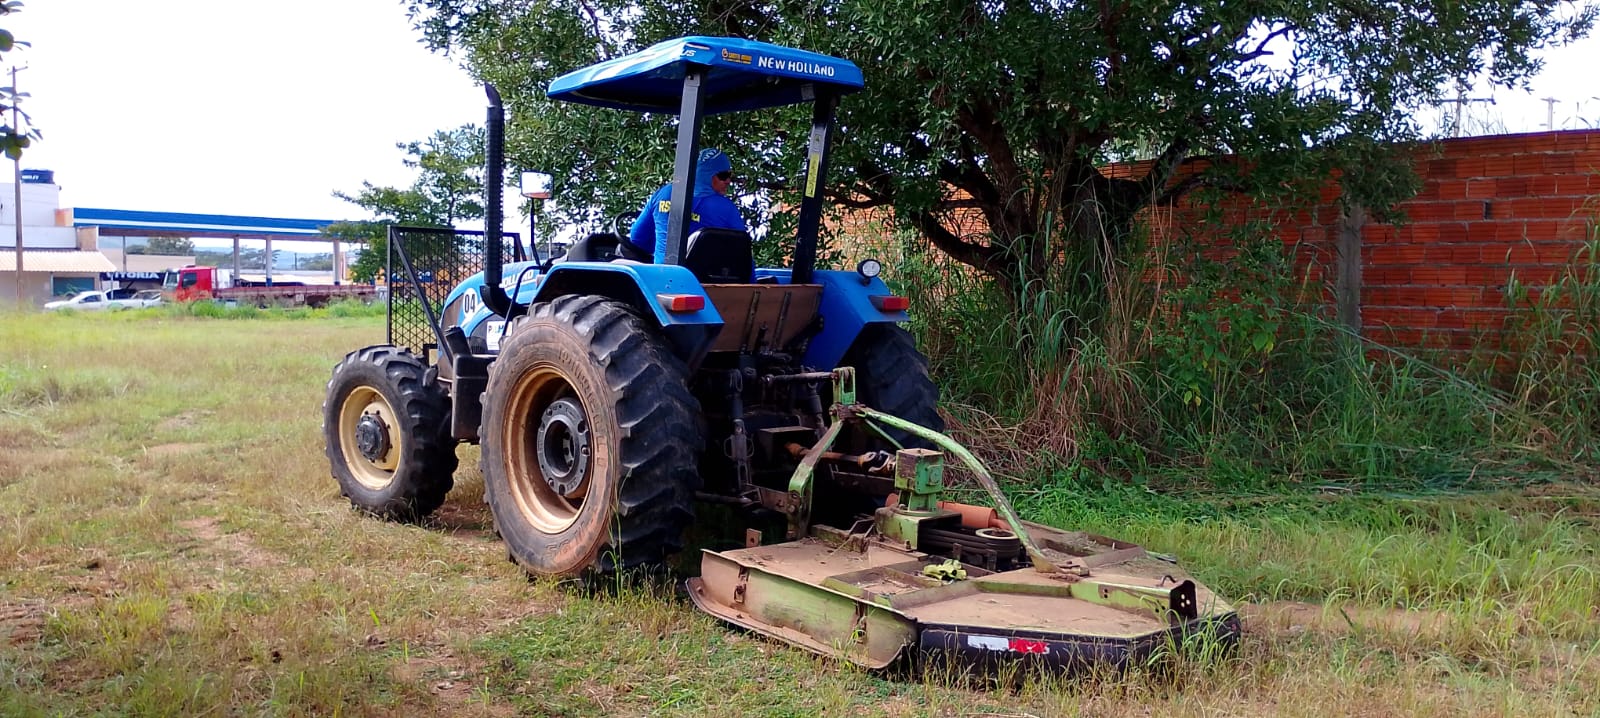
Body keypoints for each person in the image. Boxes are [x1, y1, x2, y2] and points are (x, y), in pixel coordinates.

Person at [627, 148, 748, 259]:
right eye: (723, 176)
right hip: (705, 280)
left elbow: (638, 238)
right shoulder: (726, 208)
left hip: (662, 277)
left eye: (729, 175)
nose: (728, 181)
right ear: (706, 174)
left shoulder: (663, 194)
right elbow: (744, 254)